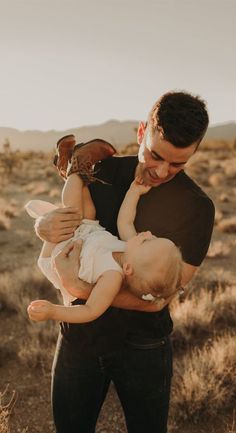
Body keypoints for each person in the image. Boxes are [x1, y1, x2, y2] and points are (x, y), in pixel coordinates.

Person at [34, 91, 215, 433]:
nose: (162, 171)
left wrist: (78, 287)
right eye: (155, 155)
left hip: (144, 346)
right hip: (79, 338)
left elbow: (160, 299)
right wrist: (43, 226)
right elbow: (67, 224)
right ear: (141, 131)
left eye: (178, 164)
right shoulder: (97, 169)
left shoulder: (197, 208)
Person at [26, 168, 182, 323]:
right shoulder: (130, 249)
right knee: (89, 210)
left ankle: (73, 170)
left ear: (128, 268)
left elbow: (90, 310)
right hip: (86, 233)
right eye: (154, 236)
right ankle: (82, 174)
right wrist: (134, 192)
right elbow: (125, 220)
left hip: (61, 255)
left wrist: (53, 312)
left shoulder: (112, 277)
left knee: (73, 210)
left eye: (147, 241)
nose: (147, 233)